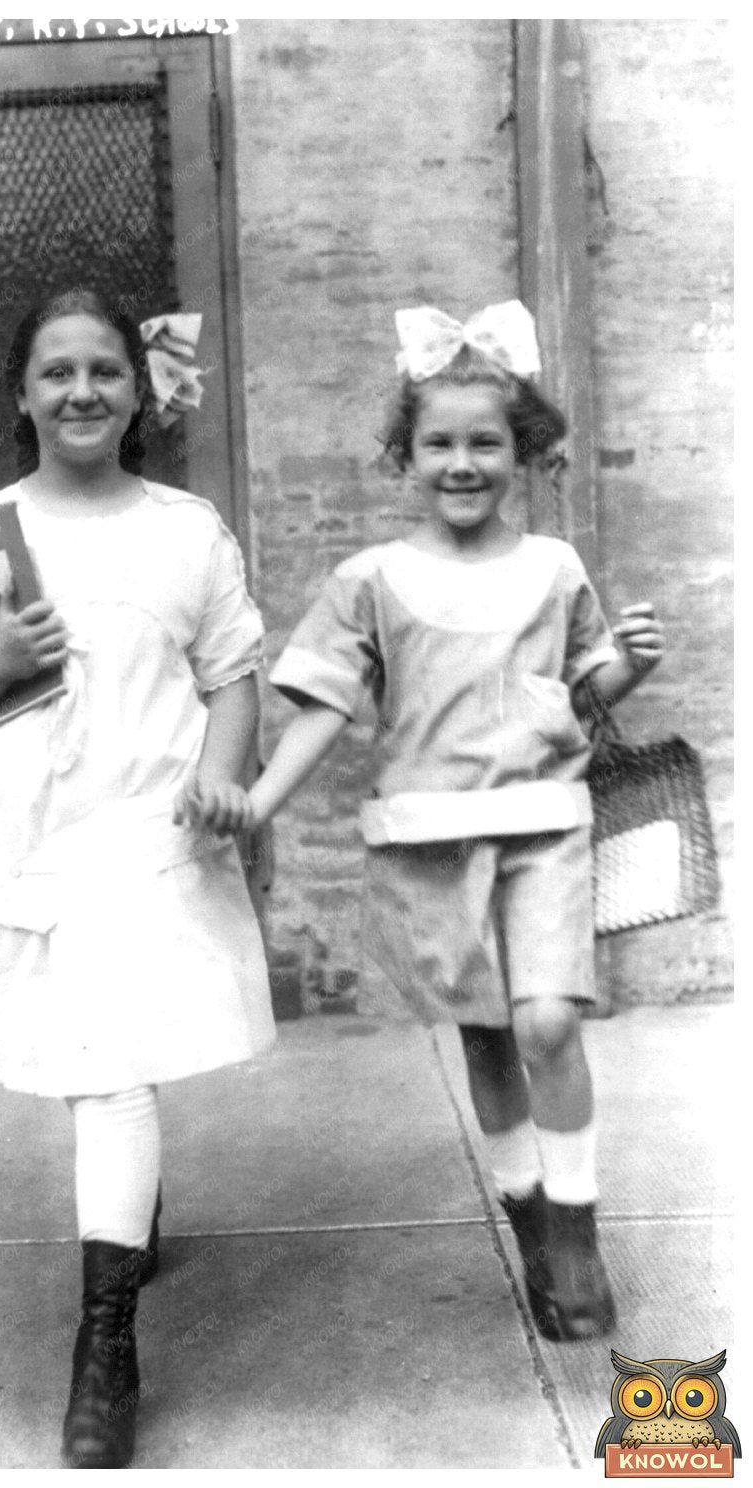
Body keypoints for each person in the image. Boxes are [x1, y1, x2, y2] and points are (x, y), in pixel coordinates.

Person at [237, 302, 664, 1343]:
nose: (461, 463)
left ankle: (573, 1231)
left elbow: (579, 688)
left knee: (547, 1021)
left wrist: (626, 666)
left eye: (485, 442)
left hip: (545, 825)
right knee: (484, 1035)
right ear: (405, 453)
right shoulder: (368, 581)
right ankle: (524, 1210)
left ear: (521, 451)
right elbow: (324, 707)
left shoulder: (553, 569)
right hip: (430, 836)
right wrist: (252, 806)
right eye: (438, 443)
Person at [0, 286, 275, 1467]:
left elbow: (231, 675)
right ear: (21, 394)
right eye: (56, 373)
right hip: (35, 835)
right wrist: (1, 657)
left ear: (140, 390)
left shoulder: (186, 529)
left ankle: (104, 1349)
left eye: (104, 372)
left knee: (113, 1075)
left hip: (150, 832)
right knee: (95, 1072)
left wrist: (222, 780)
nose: (81, 392)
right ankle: (134, 1206)